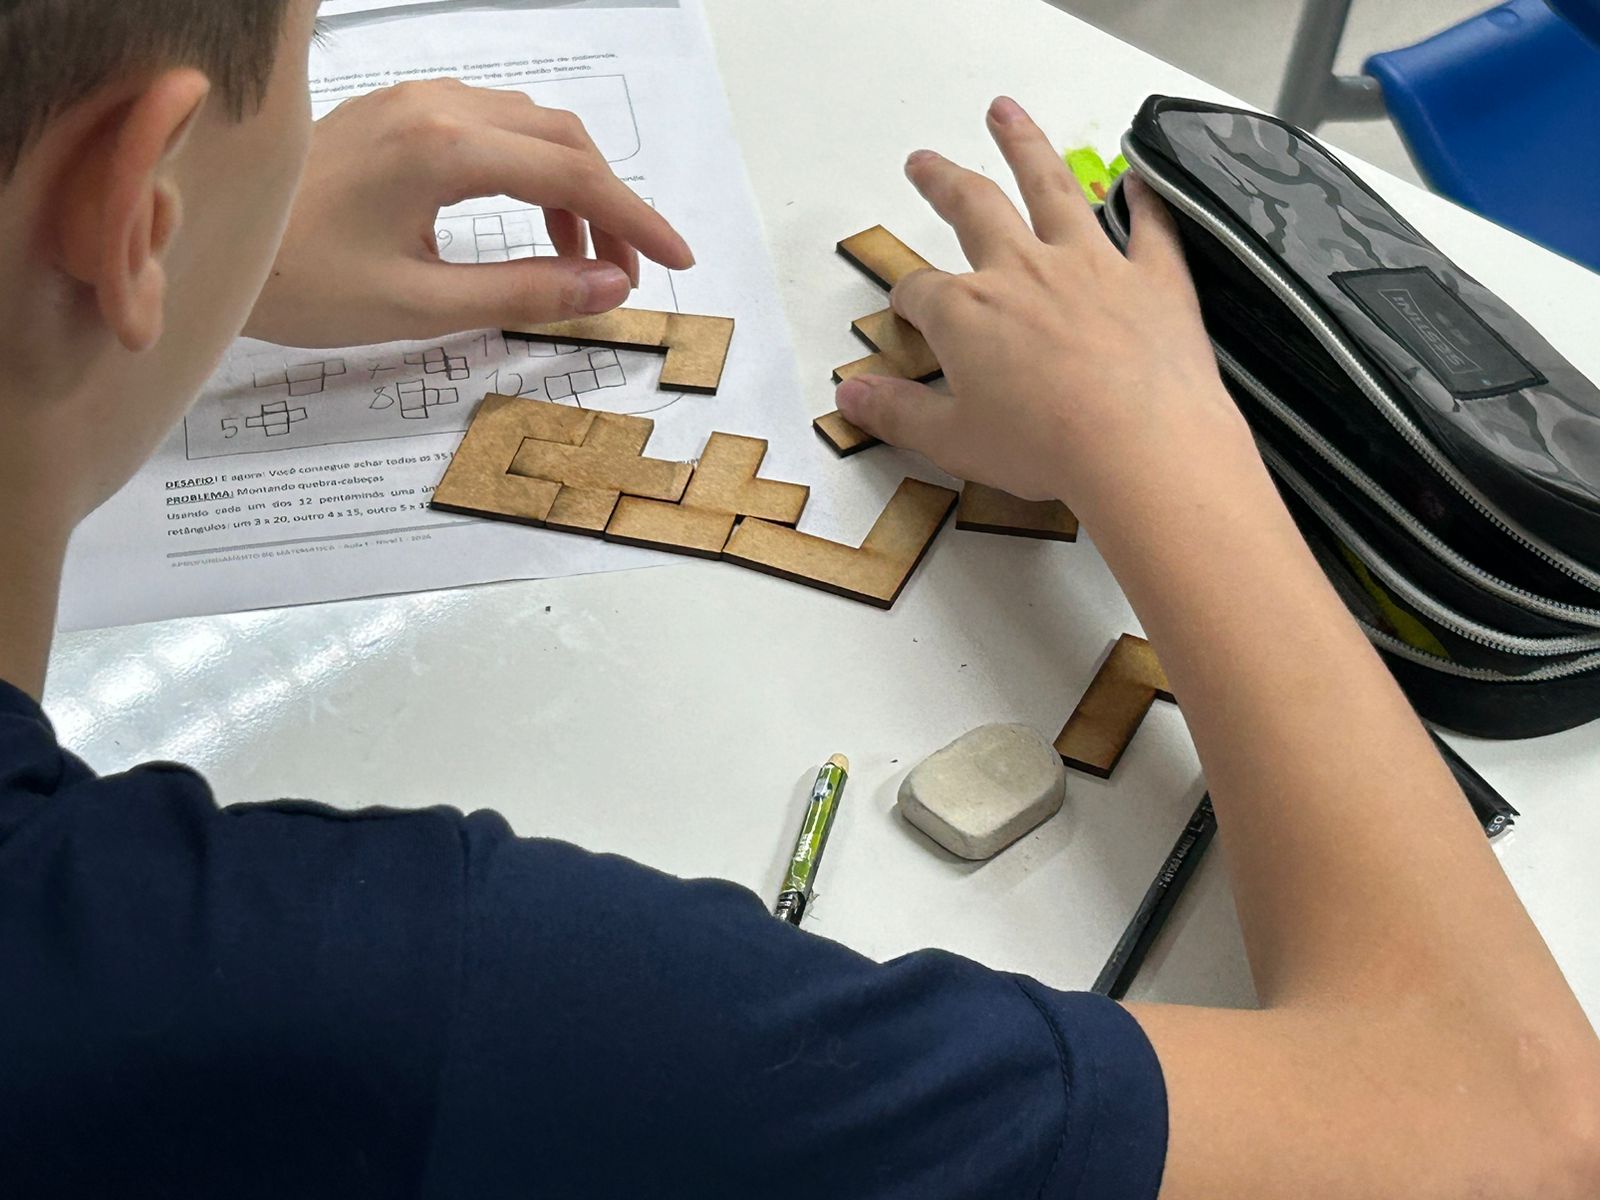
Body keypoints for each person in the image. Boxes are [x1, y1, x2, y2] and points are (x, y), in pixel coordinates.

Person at [1, 2, 1596, 1197]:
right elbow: (1517, 1124)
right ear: (132, 200)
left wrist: (201, 241)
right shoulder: (365, 989)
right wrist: (1164, 438)